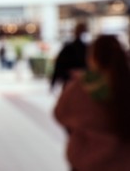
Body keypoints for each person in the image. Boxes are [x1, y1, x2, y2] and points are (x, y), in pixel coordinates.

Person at [54, 35, 130, 170]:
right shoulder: (124, 82)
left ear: (93, 57)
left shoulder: (84, 84)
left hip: (86, 160)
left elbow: (59, 113)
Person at [50, 22, 88, 91]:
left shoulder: (70, 48)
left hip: (73, 83)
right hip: (77, 83)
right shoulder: (84, 48)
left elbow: (59, 65)